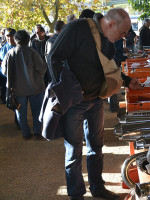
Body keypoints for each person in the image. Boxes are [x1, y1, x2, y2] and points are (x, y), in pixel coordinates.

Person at [47, 8, 142, 200]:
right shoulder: (77, 28)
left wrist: (126, 79)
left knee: (96, 147)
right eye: (122, 33)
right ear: (111, 23)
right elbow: (53, 57)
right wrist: (65, 89)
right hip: (75, 102)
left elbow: (107, 67)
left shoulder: (108, 38)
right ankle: (76, 195)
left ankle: (97, 187)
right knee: (74, 151)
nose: (123, 38)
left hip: (96, 100)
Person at [1, 30, 46, 140]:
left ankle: (25, 134)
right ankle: (37, 132)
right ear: (28, 40)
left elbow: (4, 72)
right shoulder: (33, 53)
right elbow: (42, 69)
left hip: (18, 90)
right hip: (35, 88)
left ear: (16, 40)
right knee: (37, 112)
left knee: (21, 113)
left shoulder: (10, 54)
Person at [0, 28, 16, 104]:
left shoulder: (20, 47)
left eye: (11, 36)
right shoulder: (3, 47)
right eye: (7, 36)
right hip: (4, 75)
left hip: (15, 76)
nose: (9, 38)